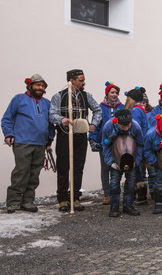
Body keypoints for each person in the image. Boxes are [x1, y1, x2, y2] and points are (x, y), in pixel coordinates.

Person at [49, 69, 102, 212]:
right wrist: (62, 119)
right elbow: (52, 114)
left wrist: (93, 124)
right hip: (64, 136)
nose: (84, 83)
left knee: (78, 168)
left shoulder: (86, 96)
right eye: (81, 80)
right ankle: (62, 199)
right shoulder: (58, 96)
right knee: (63, 167)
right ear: (71, 80)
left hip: (80, 137)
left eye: (84, 80)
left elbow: (98, 110)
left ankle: (75, 197)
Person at [2, 74, 55, 213]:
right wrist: (8, 134)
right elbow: (6, 118)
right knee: (21, 172)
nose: (40, 88)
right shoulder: (19, 99)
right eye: (38, 85)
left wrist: (50, 138)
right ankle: (13, 202)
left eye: (43, 86)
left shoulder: (47, 103)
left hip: (40, 144)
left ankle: (27, 201)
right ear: (30, 85)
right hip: (22, 142)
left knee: (34, 174)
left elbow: (50, 123)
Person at [101, 109, 144, 217]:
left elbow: (140, 145)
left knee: (130, 183)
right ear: (116, 123)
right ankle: (114, 206)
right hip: (115, 159)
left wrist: (137, 161)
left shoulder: (135, 126)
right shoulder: (108, 126)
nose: (126, 128)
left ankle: (128, 205)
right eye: (123, 126)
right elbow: (105, 146)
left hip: (131, 158)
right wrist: (110, 162)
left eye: (128, 125)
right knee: (115, 183)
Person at [89, 81, 124, 205]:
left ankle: (116, 192)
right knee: (105, 168)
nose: (114, 95)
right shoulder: (100, 107)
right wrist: (92, 139)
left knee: (117, 167)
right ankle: (107, 194)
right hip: (104, 143)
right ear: (107, 93)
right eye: (112, 92)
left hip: (119, 142)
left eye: (116, 93)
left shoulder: (122, 107)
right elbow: (96, 124)